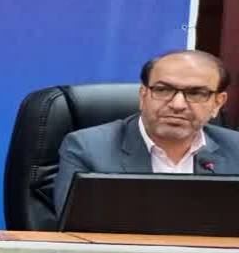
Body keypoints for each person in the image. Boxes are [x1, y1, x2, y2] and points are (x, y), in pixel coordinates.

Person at [53, 49, 239, 214]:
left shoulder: (235, 149)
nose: (177, 105)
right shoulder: (88, 148)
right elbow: (79, 227)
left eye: (196, 93)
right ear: (143, 96)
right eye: (163, 90)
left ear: (217, 103)